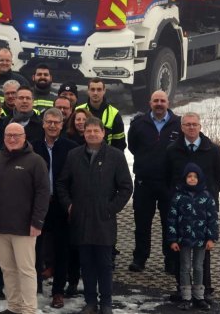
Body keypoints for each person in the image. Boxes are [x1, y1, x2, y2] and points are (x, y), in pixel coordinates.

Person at [57, 117, 133, 314]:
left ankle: (106, 302)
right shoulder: (74, 155)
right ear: (83, 133)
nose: (92, 134)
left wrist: (110, 208)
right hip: (81, 218)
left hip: (103, 220)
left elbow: (126, 187)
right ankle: (90, 301)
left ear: (103, 133)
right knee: (86, 264)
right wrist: (69, 205)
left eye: (96, 131)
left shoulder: (115, 156)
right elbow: (62, 183)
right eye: (88, 131)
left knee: (105, 264)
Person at [0, 123, 49, 314]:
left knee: (26, 270)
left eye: (17, 135)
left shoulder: (36, 161)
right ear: (4, 137)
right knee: (7, 269)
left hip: (25, 227)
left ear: (24, 137)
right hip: (0, 226)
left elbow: (43, 194)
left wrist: (37, 221)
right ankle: (14, 307)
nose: (12, 138)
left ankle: (28, 309)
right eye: (9, 135)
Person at [166, 112, 220, 303]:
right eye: (187, 124)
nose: (191, 127)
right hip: (181, 209)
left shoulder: (213, 150)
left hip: (204, 208)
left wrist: (209, 193)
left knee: (203, 254)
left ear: (200, 127)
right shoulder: (172, 150)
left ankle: (204, 290)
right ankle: (183, 289)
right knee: (181, 253)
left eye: (194, 124)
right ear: (181, 127)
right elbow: (167, 176)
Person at [127, 90, 181, 273]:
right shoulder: (139, 124)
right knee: (142, 224)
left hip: (169, 183)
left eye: (162, 101)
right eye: (156, 100)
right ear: (150, 103)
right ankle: (140, 258)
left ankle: (171, 261)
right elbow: (133, 146)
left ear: (168, 103)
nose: (159, 104)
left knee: (170, 224)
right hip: (145, 182)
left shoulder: (178, 123)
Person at [31, 108, 78, 309]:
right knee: (34, 248)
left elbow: (75, 179)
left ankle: (58, 291)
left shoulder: (71, 148)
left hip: (61, 206)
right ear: (43, 123)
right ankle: (33, 288)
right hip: (38, 206)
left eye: (56, 122)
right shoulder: (33, 146)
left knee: (62, 250)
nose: (52, 125)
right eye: (48, 122)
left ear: (62, 124)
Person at [167, 163, 218, 311]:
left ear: (200, 178)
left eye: (195, 176)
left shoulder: (207, 196)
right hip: (184, 240)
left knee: (198, 266)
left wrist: (211, 238)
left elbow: (213, 219)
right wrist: (173, 239)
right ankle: (186, 296)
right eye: (189, 176)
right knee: (185, 266)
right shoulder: (178, 196)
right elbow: (171, 219)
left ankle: (199, 296)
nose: (192, 179)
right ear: (185, 178)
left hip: (201, 239)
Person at [75, 79, 126, 150]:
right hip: (81, 154)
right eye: (92, 89)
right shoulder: (78, 111)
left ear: (104, 91)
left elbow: (120, 144)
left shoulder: (114, 113)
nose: (95, 93)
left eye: (99, 89)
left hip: (107, 155)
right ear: (88, 91)